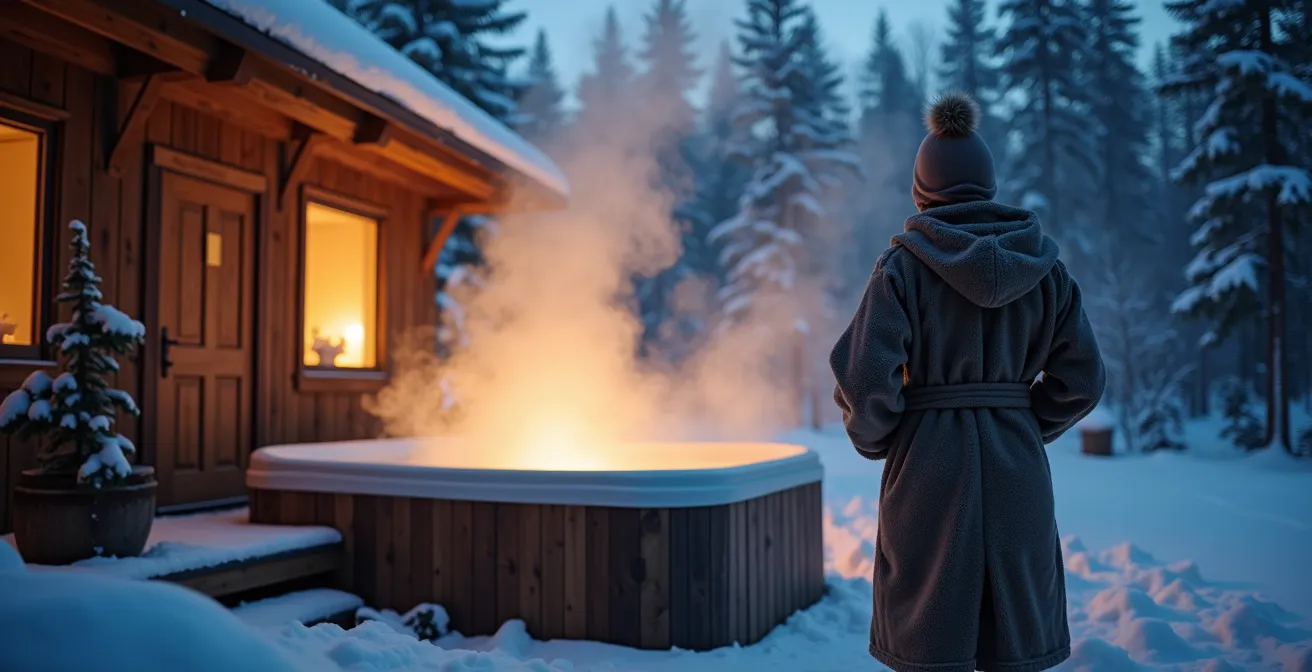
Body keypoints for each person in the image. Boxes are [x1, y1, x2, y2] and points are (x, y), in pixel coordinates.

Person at [829, 91, 1105, 672]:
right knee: (1013, 641)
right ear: (990, 185)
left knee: (930, 642)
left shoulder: (902, 268)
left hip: (928, 471)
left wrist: (886, 438)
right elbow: (1083, 377)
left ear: (921, 190)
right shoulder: (1046, 271)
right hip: (1017, 470)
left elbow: (864, 380)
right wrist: (1024, 420)